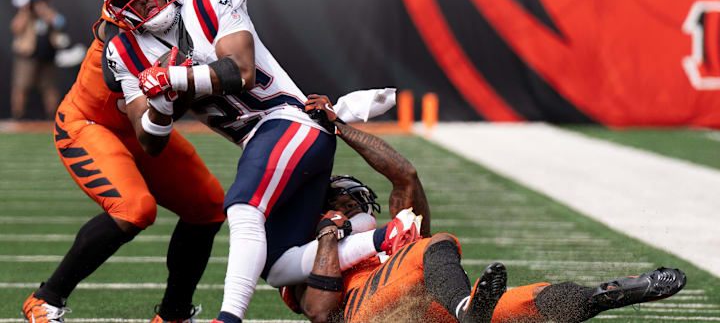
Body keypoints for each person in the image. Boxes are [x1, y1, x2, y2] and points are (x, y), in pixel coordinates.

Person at [280, 95, 688, 323]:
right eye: (344, 201)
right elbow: (318, 311)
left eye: (355, 201)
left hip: (430, 313)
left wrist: (339, 126)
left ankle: (603, 295)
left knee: (522, 305)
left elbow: (405, 176)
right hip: (367, 315)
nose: (353, 206)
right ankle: (467, 309)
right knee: (433, 245)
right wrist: (329, 234)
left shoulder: (389, 242)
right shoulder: (301, 251)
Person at [104, 0, 337, 321]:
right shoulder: (124, 51)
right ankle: (383, 237)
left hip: (288, 121)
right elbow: (151, 140)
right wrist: (160, 102)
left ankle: (227, 318)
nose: (148, 1)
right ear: (119, 10)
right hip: (260, 140)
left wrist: (173, 79)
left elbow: (241, 72)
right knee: (278, 265)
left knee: (243, 209)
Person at [21, 0, 226, 323]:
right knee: (135, 209)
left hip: (141, 129)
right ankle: (45, 298)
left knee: (209, 205)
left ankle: (174, 313)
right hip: (89, 125)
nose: (149, 1)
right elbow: (133, 71)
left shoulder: (192, 12)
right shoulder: (118, 34)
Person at [10, 0, 65, 120]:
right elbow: (16, 28)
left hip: (48, 57)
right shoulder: (25, 14)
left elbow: (60, 23)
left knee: (50, 88)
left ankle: (52, 117)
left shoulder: (49, 13)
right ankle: (18, 116)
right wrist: (25, 10)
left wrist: (44, 11)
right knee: (21, 87)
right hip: (27, 57)